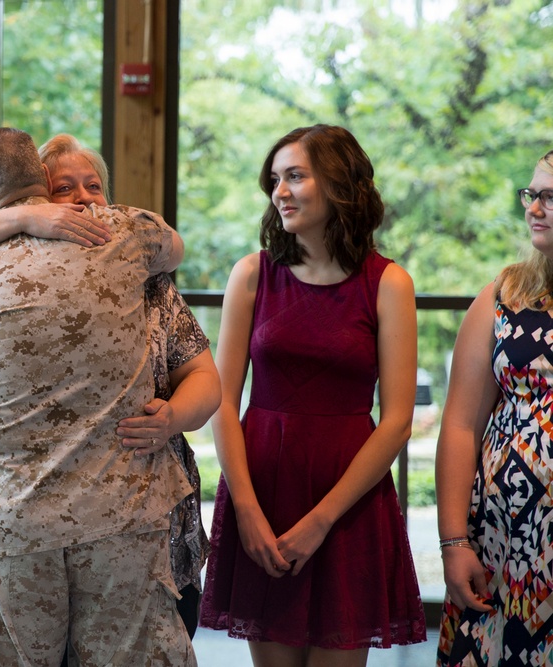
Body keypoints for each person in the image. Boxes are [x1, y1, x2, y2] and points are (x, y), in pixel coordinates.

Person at [0, 132, 218, 639]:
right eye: (65, 188)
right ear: (42, 197)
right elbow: (173, 245)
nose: (85, 199)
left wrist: (172, 416)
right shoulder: (128, 236)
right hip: (107, 526)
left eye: (94, 186)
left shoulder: (135, 261)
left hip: (89, 518)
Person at [199, 124, 426, 666]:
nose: (280, 191)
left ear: (340, 184)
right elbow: (222, 403)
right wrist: (248, 513)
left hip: (346, 503)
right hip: (265, 493)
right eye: (274, 179)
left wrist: (322, 520)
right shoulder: (252, 274)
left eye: (295, 176)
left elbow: (396, 421)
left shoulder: (389, 283)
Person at [435, 150, 553, 666]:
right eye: (532, 194)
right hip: (501, 547)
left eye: (550, 196)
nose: (535, 208)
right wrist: (453, 542)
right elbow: (460, 425)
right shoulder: (504, 295)